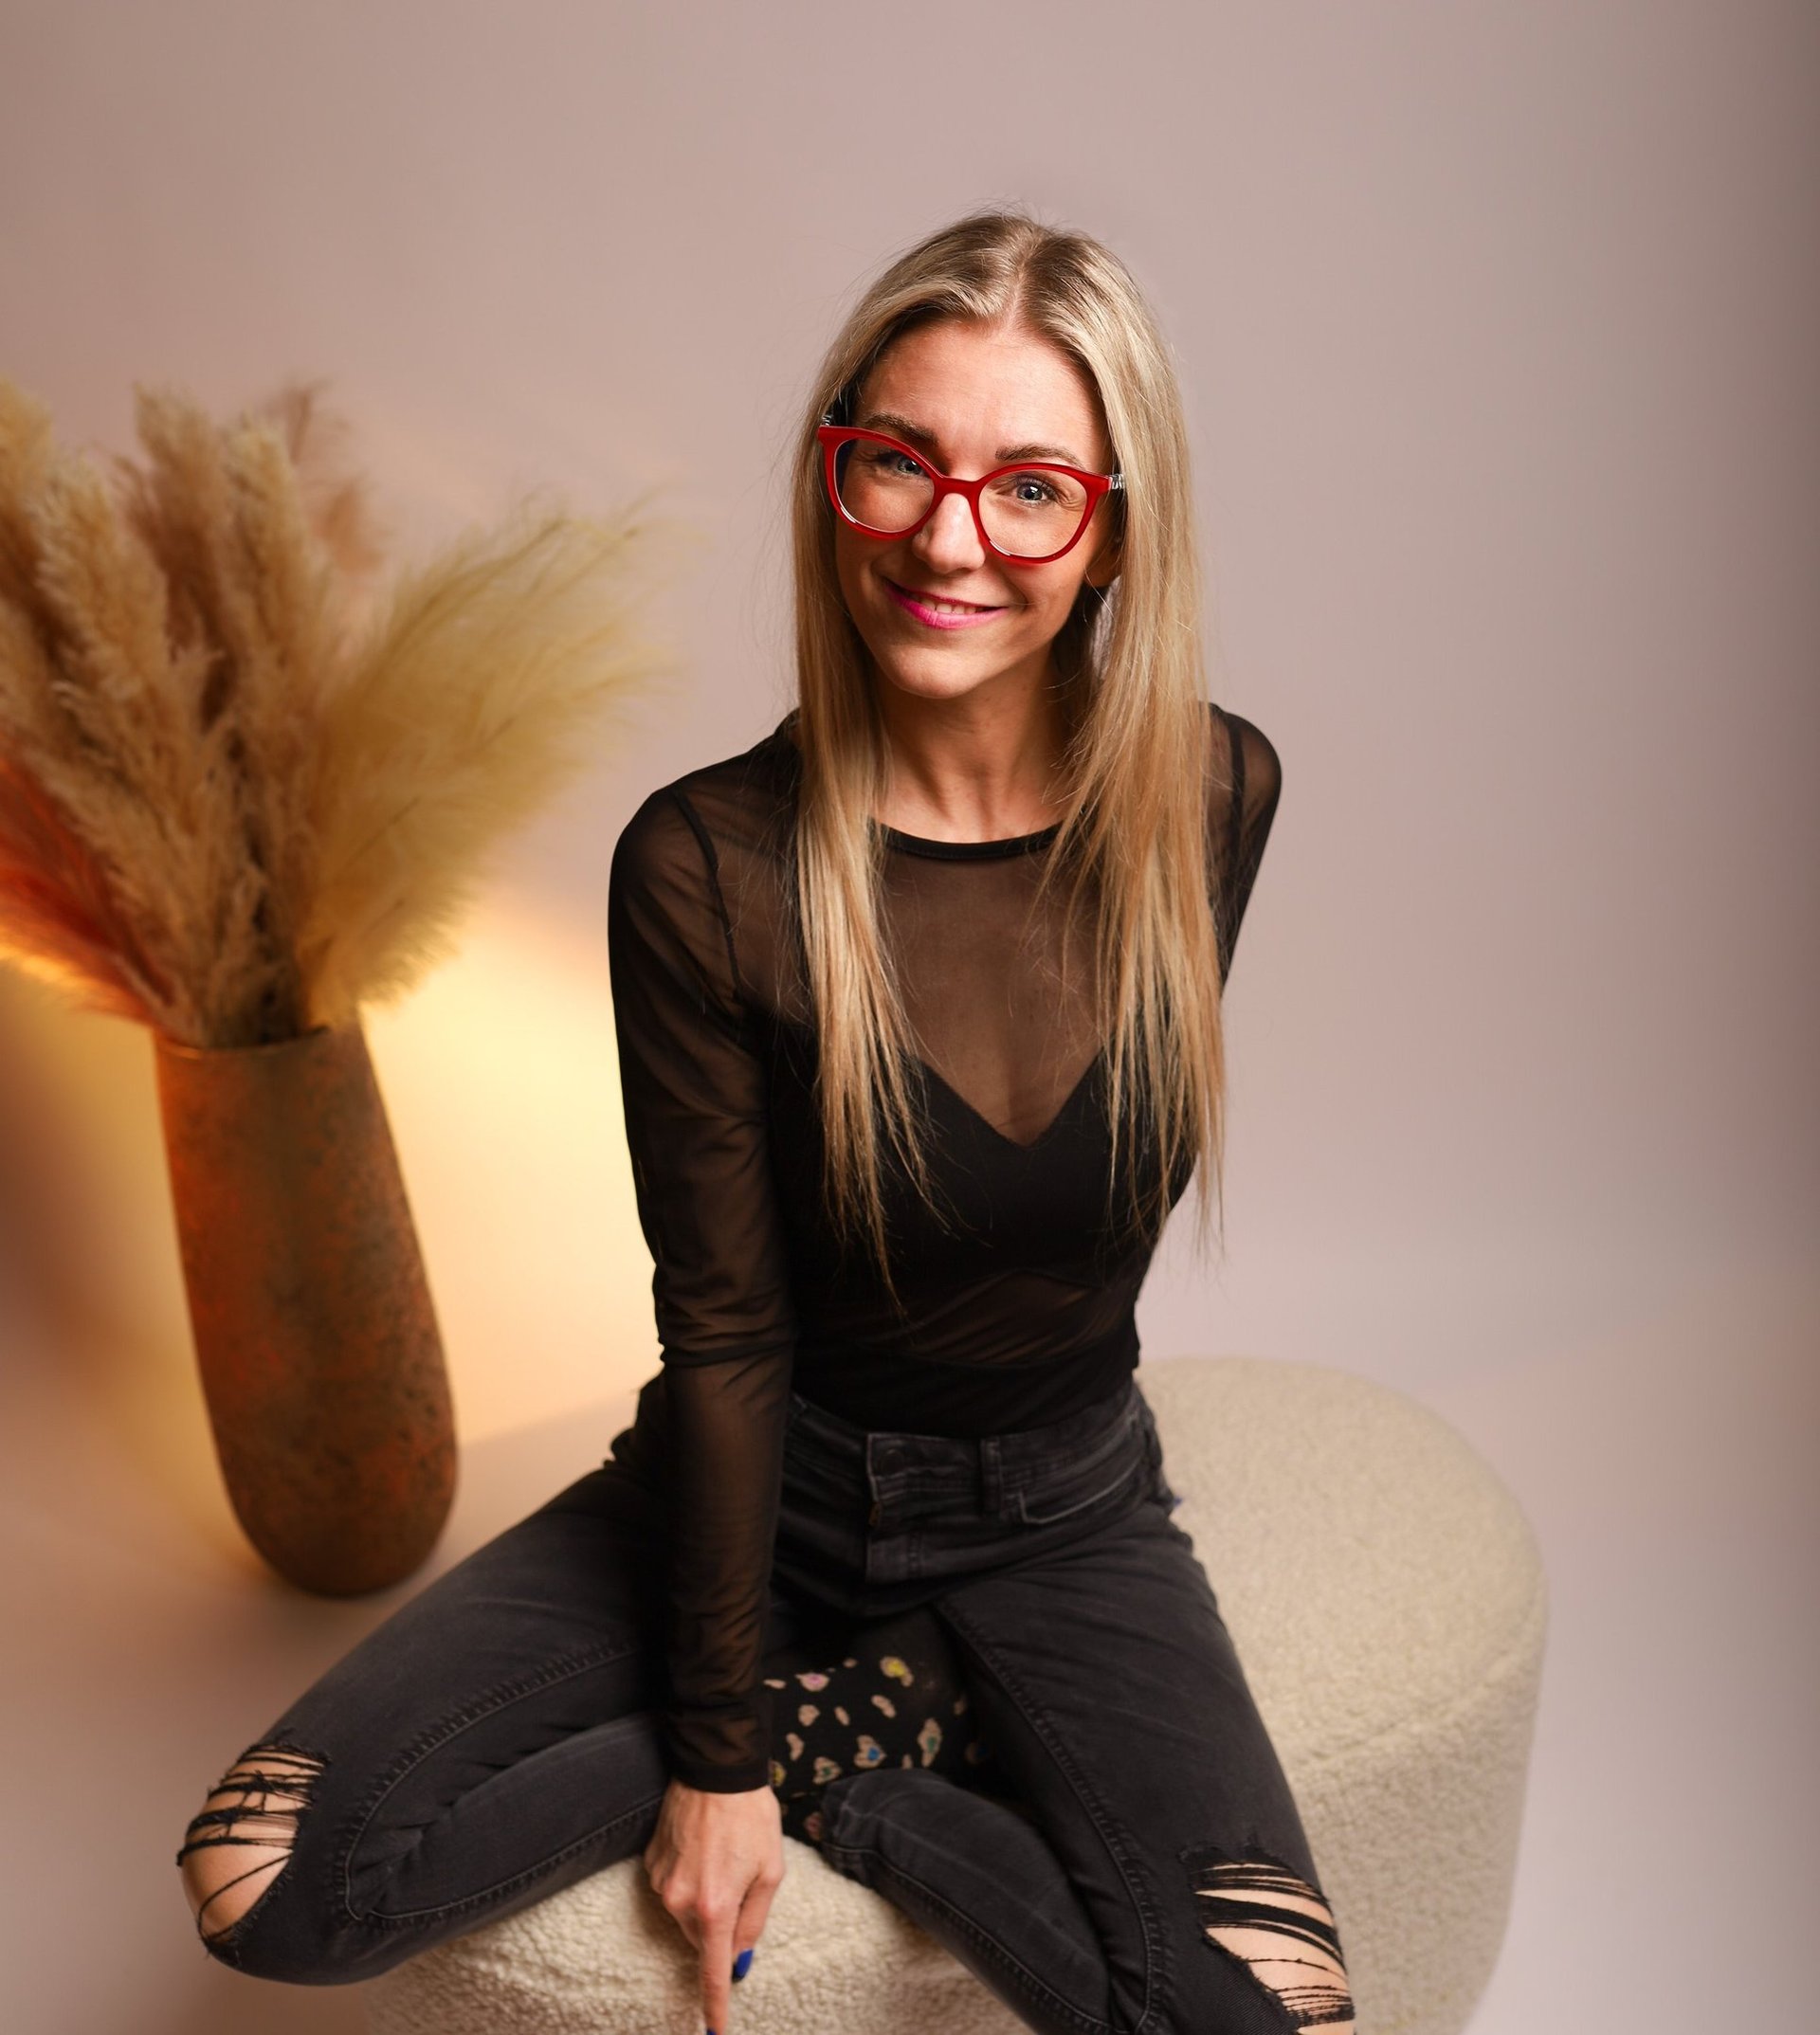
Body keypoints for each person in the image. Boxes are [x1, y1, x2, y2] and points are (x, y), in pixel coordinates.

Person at [176, 209, 1354, 2035]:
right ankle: (820, 1720)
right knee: (262, 1879)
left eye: (1033, 486)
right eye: (902, 464)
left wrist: (805, 1781)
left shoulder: (1214, 793)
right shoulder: (709, 868)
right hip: (767, 1486)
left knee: (1277, 2015)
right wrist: (717, 1756)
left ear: (1115, 525)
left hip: (1066, 1509)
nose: (952, 539)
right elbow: (725, 1330)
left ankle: (878, 1771)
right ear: (838, 478)